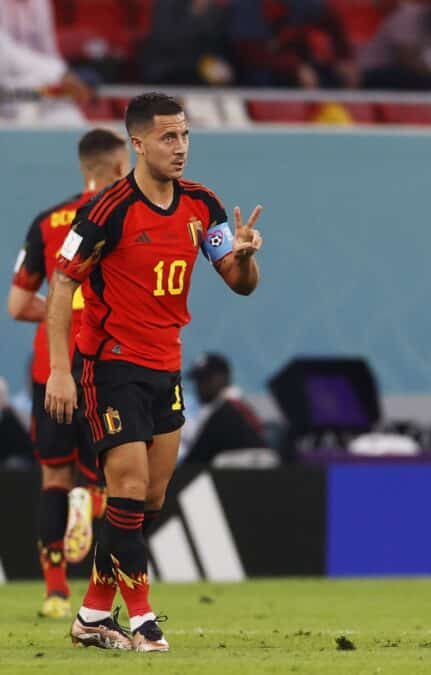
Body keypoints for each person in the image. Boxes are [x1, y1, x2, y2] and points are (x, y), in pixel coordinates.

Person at [45, 92, 264, 652]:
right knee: (128, 485)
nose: (181, 147)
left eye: (185, 136)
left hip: (165, 367)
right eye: (169, 137)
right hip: (109, 363)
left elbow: (238, 284)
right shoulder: (106, 210)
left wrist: (244, 256)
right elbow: (63, 283)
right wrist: (61, 371)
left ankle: (93, 614)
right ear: (137, 144)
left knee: (148, 499)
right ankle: (142, 620)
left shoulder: (202, 205)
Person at [8, 128, 128, 619]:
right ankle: (92, 502)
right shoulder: (126, 216)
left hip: (51, 366)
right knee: (115, 473)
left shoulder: (48, 221)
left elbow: (17, 305)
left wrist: (63, 310)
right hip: (107, 360)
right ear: (121, 170)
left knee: (51, 474)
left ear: (84, 169)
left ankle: (55, 592)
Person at [358, 0, 431, 91]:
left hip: (412, 79)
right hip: (375, 73)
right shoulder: (408, 16)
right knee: (430, 82)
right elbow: (407, 61)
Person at [179, 352, 266, 465]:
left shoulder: (226, 410)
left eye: (205, 379)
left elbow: (196, 459)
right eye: (198, 380)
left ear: (222, 378)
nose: (200, 386)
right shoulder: (233, 405)